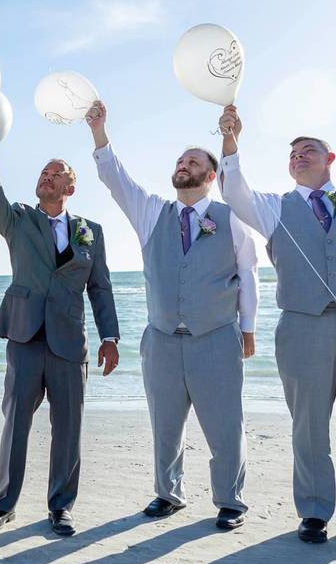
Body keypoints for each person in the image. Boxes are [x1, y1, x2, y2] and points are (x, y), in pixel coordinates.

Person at [218, 106, 336, 548]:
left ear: (331, 159)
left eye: (309, 150)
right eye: (294, 154)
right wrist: (231, 141)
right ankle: (315, 512)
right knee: (308, 426)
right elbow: (234, 192)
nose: (299, 157)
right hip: (301, 330)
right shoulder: (272, 208)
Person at [86, 101, 257, 530]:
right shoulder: (151, 212)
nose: (183, 165)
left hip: (216, 337)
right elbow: (115, 180)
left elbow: (248, 274)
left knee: (225, 426)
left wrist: (248, 329)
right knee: (165, 425)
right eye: (181, 161)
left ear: (210, 176)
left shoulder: (230, 218)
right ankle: (168, 494)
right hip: (161, 339)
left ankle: (231, 501)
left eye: (193, 161)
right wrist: (100, 131)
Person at [0, 142, 120, 537]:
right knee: (16, 423)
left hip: (70, 341)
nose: (47, 176)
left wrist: (110, 337)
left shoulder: (91, 232)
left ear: (70, 188)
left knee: (69, 427)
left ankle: (61, 507)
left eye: (56, 173)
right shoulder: (18, 219)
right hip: (24, 336)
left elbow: (101, 288)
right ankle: (4, 505)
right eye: (44, 171)